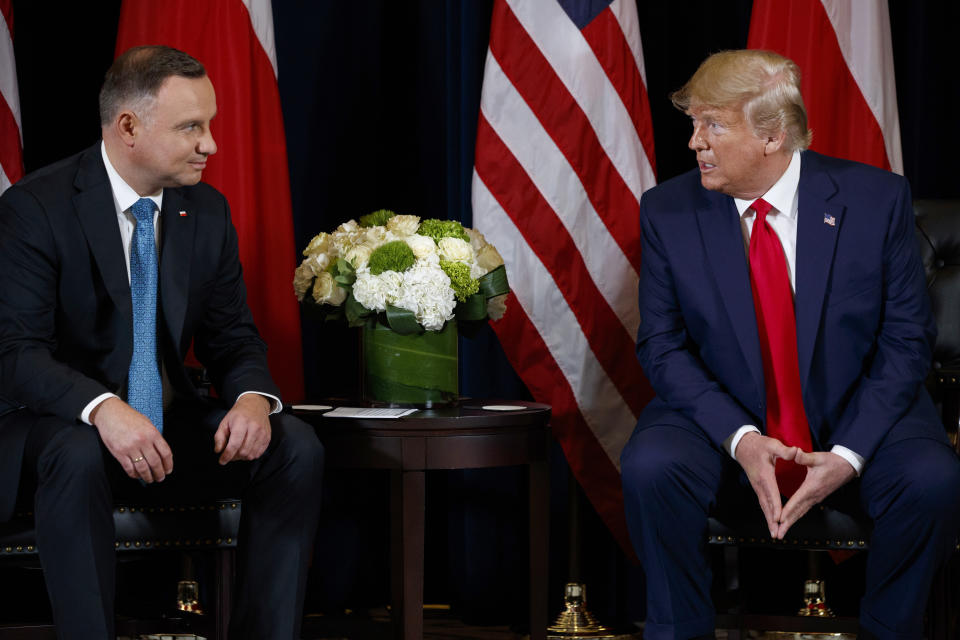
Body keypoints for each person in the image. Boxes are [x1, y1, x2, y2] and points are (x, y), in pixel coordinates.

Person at [620, 49, 960, 640]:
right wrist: (742, 438)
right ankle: (679, 631)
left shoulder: (876, 200)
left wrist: (850, 451)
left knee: (931, 479)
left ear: (773, 136)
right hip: (722, 412)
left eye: (713, 126)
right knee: (651, 467)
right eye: (694, 124)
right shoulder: (668, 210)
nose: (695, 142)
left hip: (857, 408)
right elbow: (663, 345)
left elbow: (907, 340)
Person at [0, 45, 323, 640]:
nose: (211, 145)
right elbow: (15, 353)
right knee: (75, 451)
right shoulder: (34, 209)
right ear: (128, 127)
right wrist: (103, 409)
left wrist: (253, 398)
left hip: (168, 435)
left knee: (293, 444)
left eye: (211, 125)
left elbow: (233, 337)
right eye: (191, 127)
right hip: (63, 436)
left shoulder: (206, 211)